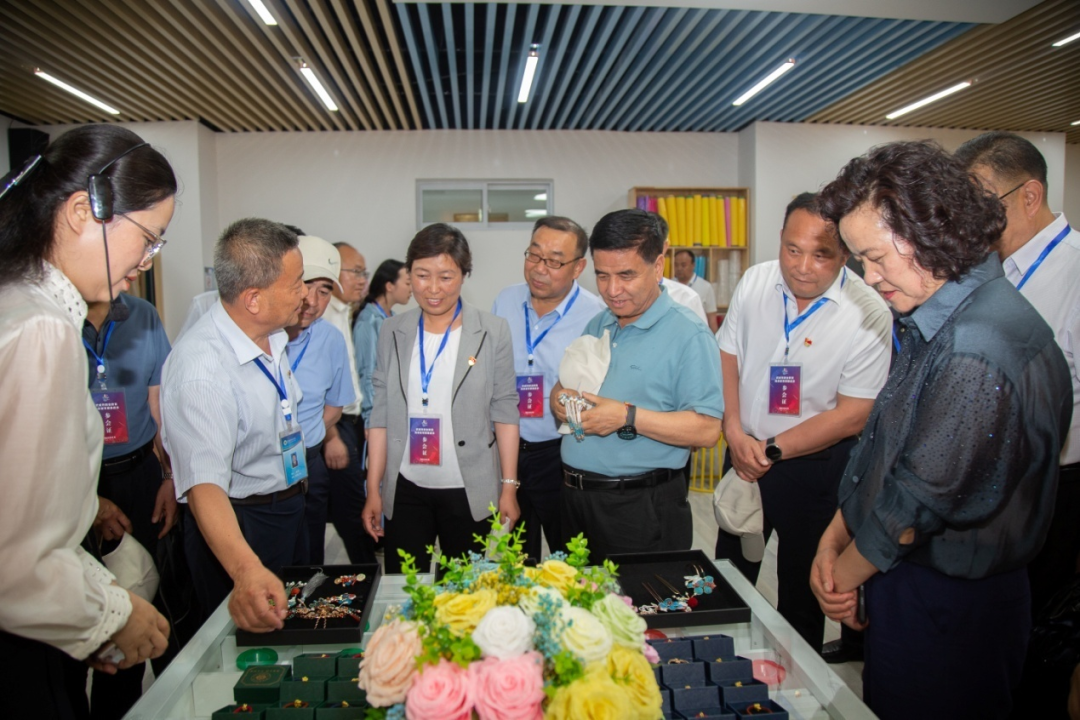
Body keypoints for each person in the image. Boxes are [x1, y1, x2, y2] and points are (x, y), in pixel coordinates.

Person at [811, 140, 1072, 719]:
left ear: (932, 231)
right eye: (859, 261)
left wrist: (838, 575)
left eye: (876, 257)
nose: (869, 277)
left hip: (950, 603)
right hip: (910, 580)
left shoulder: (976, 348)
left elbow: (913, 506)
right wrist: (834, 538)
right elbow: (884, 447)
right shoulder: (941, 313)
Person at [0, 124, 174, 719]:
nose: (145, 263)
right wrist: (114, 614)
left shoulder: (17, 298)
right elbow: (19, 558)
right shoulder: (43, 328)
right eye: (147, 239)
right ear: (81, 212)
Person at [714, 192, 891, 652]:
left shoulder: (868, 312)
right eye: (792, 249)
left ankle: (795, 682)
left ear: (846, 254)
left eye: (821, 254)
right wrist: (733, 429)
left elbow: (853, 414)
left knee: (800, 595)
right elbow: (728, 354)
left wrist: (770, 450)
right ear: (780, 239)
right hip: (743, 453)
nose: (802, 266)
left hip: (814, 470)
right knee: (728, 577)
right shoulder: (756, 281)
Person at [956, 132, 1080, 719]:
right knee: (994, 632)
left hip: (1056, 487)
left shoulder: (1073, 270)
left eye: (985, 203)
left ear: (1029, 196)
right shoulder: (995, 270)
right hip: (989, 483)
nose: (974, 222)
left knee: (1040, 635)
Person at [551, 209, 723, 561]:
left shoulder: (688, 334)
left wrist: (626, 416)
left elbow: (707, 430)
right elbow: (569, 380)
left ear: (658, 266)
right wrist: (559, 396)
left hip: (639, 509)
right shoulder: (600, 322)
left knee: (639, 598)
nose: (612, 290)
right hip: (574, 500)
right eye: (602, 276)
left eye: (626, 275)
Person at [161, 218, 308, 632]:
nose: (305, 293)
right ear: (254, 299)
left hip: (287, 504)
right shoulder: (202, 370)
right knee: (245, 640)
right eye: (296, 283)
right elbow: (204, 485)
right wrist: (245, 570)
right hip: (240, 526)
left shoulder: (272, 335)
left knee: (292, 627)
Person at [361, 224, 520, 572]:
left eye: (446, 277)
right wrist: (373, 488)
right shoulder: (392, 331)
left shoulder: (492, 331)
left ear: (464, 275)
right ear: (409, 274)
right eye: (422, 275)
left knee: (467, 590)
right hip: (406, 487)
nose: (433, 289)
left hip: (470, 487)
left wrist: (508, 487)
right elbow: (380, 414)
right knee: (406, 587)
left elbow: (505, 411)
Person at [82, 292, 178, 720]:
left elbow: (160, 405)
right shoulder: (53, 319)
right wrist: (90, 502)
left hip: (141, 475)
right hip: (79, 483)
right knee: (91, 618)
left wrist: (169, 476)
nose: (140, 265)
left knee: (148, 595)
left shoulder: (142, 315)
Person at [492, 216, 606, 559]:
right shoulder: (505, 301)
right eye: (534, 255)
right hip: (508, 451)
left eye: (555, 261)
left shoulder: (596, 315)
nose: (540, 269)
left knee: (568, 557)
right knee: (512, 560)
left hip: (562, 453)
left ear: (578, 267)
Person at [284, 235, 356, 564]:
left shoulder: (331, 339)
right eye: (305, 285)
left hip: (307, 460)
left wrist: (309, 435)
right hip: (256, 466)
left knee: (310, 556)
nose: (311, 300)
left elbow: (335, 407)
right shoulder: (262, 333)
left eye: (324, 291)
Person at [324, 241, 374, 564]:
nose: (362, 280)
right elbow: (314, 387)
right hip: (335, 424)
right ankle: (367, 575)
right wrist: (331, 436)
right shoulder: (323, 315)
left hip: (350, 421)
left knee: (351, 506)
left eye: (364, 273)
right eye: (355, 272)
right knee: (353, 509)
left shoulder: (344, 311)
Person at [355, 259, 411, 429]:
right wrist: (371, 418)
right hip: (377, 414)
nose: (412, 289)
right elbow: (367, 372)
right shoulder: (368, 321)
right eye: (407, 283)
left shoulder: (393, 318)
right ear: (389, 286)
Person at [672, 249, 718, 330]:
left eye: (683, 265)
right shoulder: (669, 286)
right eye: (676, 265)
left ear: (693, 265)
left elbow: (712, 320)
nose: (679, 268)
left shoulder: (706, 287)